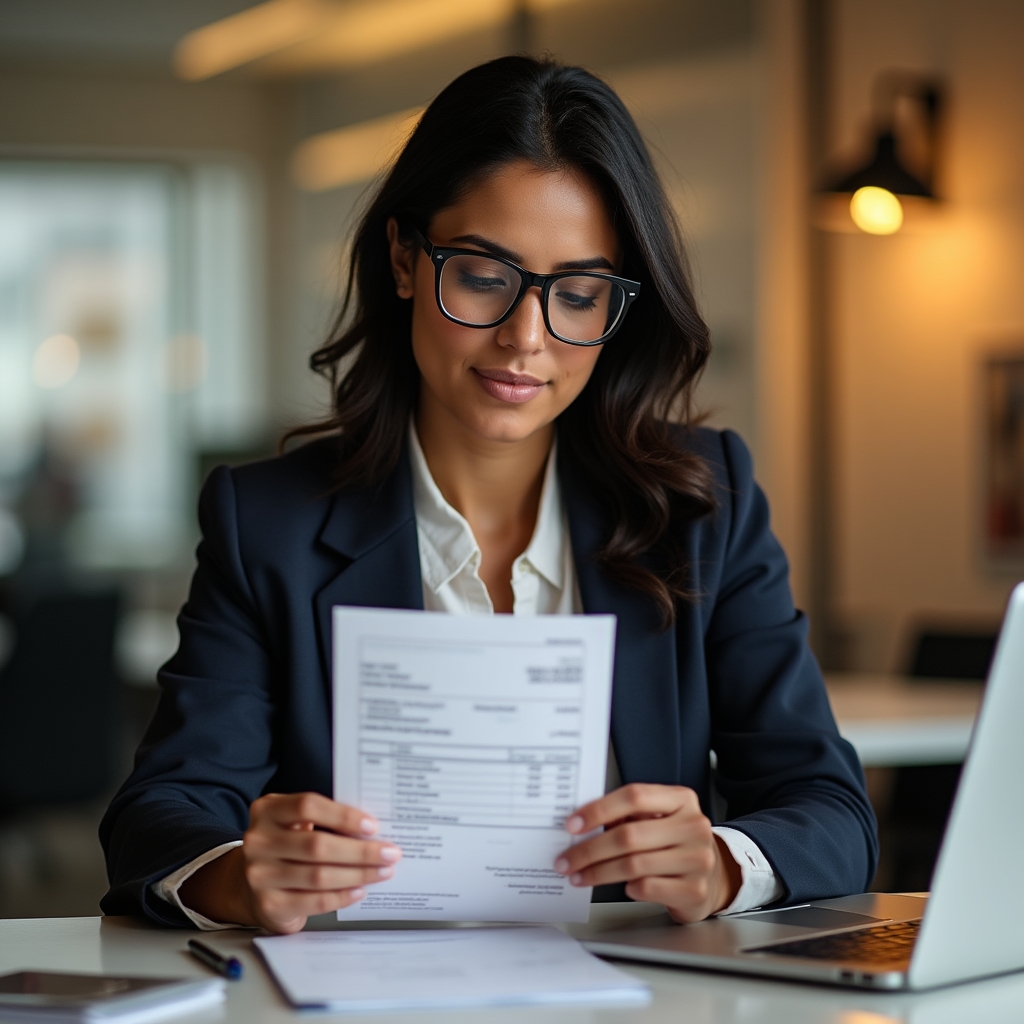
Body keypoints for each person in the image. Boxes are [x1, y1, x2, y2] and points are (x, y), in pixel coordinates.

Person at [100, 56, 877, 934]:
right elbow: (159, 815)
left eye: (578, 293)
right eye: (481, 276)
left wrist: (726, 866)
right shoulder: (268, 523)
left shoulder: (706, 504)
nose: (524, 339)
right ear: (404, 259)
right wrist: (237, 875)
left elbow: (829, 809)